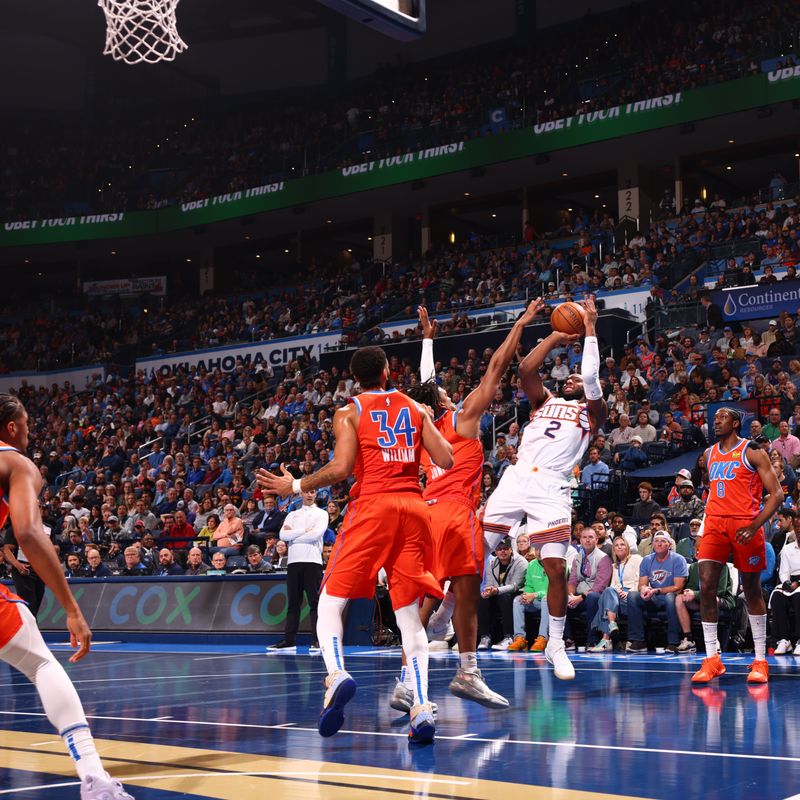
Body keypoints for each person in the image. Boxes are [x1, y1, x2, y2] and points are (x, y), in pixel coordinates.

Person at [257, 345, 453, 743]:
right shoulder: (416, 408)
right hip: (414, 508)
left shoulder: (350, 411)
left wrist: (294, 485)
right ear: (385, 371)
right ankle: (420, 708)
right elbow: (446, 459)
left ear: (355, 378)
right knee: (408, 616)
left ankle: (336, 675)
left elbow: (342, 468)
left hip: (374, 506)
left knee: (330, 600)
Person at [401, 302, 543, 710]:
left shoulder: (422, 426)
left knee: (427, 600)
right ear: (442, 400)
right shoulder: (461, 419)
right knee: (466, 594)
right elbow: (496, 367)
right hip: (454, 513)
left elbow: (426, 386)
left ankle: (406, 681)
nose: (448, 389)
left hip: (423, 515)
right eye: (444, 390)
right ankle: (467, 672)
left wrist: (427, 341)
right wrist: (520, 324)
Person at [0, 394, 134, 799]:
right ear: (12, 427)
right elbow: (28, 532)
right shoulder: (17, 462)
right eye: (26, 424)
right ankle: (94, 779)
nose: (29, 431)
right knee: (41, 663)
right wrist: (72, 608)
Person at [482, 295, 607, 680]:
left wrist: (588, 327)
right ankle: (449, 608)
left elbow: (589, 378)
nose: (570, 379)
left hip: (552, 483)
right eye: (566, 377)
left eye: (576, 379)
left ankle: (554, 643)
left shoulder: (591, 412)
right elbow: (525, 369)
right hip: (517, 475)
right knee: (474, 550)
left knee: (554, 566)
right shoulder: (543, 401)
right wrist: (554, 336)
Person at [691, 407, 783, 685]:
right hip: (715, 522)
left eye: (722, 418)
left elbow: (777, 494)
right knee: (706, 587)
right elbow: (709, 486)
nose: (716, 421)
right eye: (714, 418)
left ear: (735, 422)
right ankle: (712, 658)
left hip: (745, 524)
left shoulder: (752, 450)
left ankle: (759, 660)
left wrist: (754, 526)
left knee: (752, 590)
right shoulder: (709, 454)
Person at [269, 488, 328, 650]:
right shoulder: (292, 514)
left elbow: (315, 535)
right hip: (294, 562)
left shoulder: (322, 514)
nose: (310, 494)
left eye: (313, 491)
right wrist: (303, 531)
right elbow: (283, 536)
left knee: (315, 603)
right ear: (301, 493)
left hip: (313, 561)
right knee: (293, 603)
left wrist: (293, 534)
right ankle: (289, 641)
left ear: (315, 494)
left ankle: (317, 640)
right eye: (307, 491)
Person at [625, 531, 688, 653]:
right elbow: (641, 584)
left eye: (662, 541)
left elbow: (678, 587)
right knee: (633, 596)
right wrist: (645, 590)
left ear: (669, 545)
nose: (659, 544)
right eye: (656, 541)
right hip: (655, 596)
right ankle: (638, 640)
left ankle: (673, 641)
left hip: (671, 596)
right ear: (652, 544)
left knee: (670, 597)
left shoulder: (678, 559)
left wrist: (657, 590)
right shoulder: (647, 560)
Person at [587, 536, 642, 652]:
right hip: (617, 598)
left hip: (633, 597)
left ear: (627, 546)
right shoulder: (614, 566)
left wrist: (630, 592)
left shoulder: (636, 559)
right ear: (614, 549)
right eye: (616, 545)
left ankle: (606, 639)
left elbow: (641, 580)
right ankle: (612, 624)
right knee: (607, 592)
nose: (619, 547)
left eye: (622, 544)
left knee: (604, 603)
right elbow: (612, 586)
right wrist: (618, 591)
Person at [476, 538, 527, 650]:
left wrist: (497, 590)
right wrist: (488, 591)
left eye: (505, 549)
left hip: (517, 593)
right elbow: (489, 583)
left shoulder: (521, 562)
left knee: (505, 597)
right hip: (497, 592)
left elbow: (515, 586)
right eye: (499, 549)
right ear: (495, 551)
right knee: (482, 598)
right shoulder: (492, 563)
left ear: (511, 550)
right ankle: (485, 636)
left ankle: (509, 637)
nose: (502, 551)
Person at [770, 536, 800, 654]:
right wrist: (786, 583)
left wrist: (798, 583)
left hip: (799, 583)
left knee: (798, 597)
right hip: (791, 582)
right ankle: (784, 639)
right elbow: (783, 572)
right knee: (778, 595)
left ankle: (799, 640)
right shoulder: (787, 549)